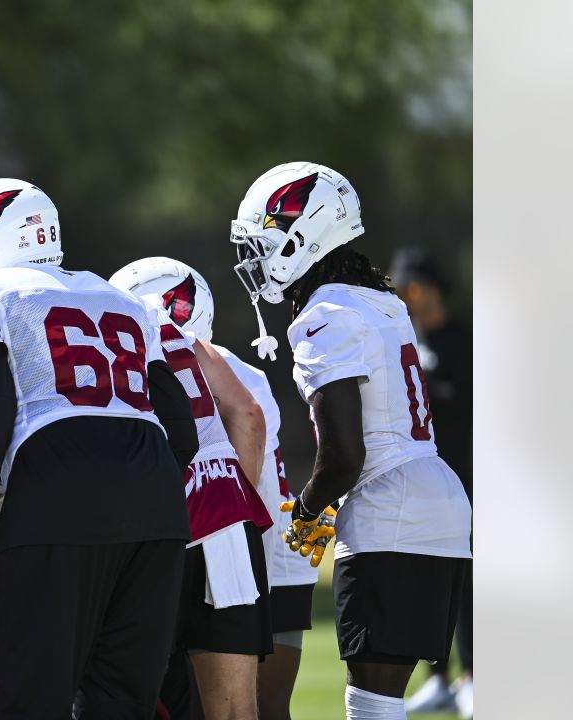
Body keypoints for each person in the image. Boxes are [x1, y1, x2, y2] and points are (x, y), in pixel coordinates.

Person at [0, 178, 196, 719]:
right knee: (122, 704)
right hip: (157, 501)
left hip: (61, 489)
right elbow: (182, 428)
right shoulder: (119, 297)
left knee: (35, 697)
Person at [229, 162, 472, 720]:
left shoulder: (326, 315)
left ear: (300, 238)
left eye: (263, 244)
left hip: (391, 505)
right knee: (384, 699)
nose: (256, 260)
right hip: (439, 498)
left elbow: (344, 453)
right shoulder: (379, 302)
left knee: (372, 705)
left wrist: (308, 510)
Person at [111, 257, 318, 720]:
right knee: (240, 709)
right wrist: (234, 513)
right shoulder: (237, 370)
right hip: (235, 538)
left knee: (138, 696)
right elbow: (249, 419)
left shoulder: (119, 352)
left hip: (158, 534)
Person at [390, 248, 473, 719]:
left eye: (412, 290)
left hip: (465, 475)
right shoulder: (405, 340)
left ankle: (474, 675)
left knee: (465, 580)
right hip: (421, 478)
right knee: (427, 579)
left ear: (433, 289)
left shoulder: (462, 340)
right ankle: (437, 678)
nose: (407, 300)